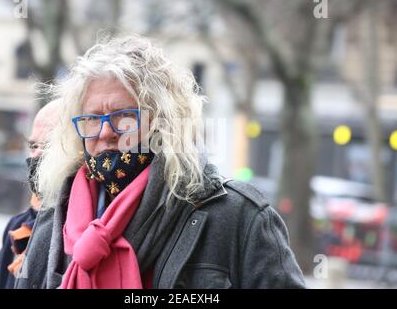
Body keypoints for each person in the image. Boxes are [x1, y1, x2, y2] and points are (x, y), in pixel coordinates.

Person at [15, 35, 305, 289]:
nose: (105, 132)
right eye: (91, 119)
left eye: (123, 117)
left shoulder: (239, 216)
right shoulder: (54, 213)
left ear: (162, 123)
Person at [0, 99, 62, 289]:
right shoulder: (19, 226)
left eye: (49, 146)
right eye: (34, 146)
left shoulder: (85, 228)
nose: (36, 155)